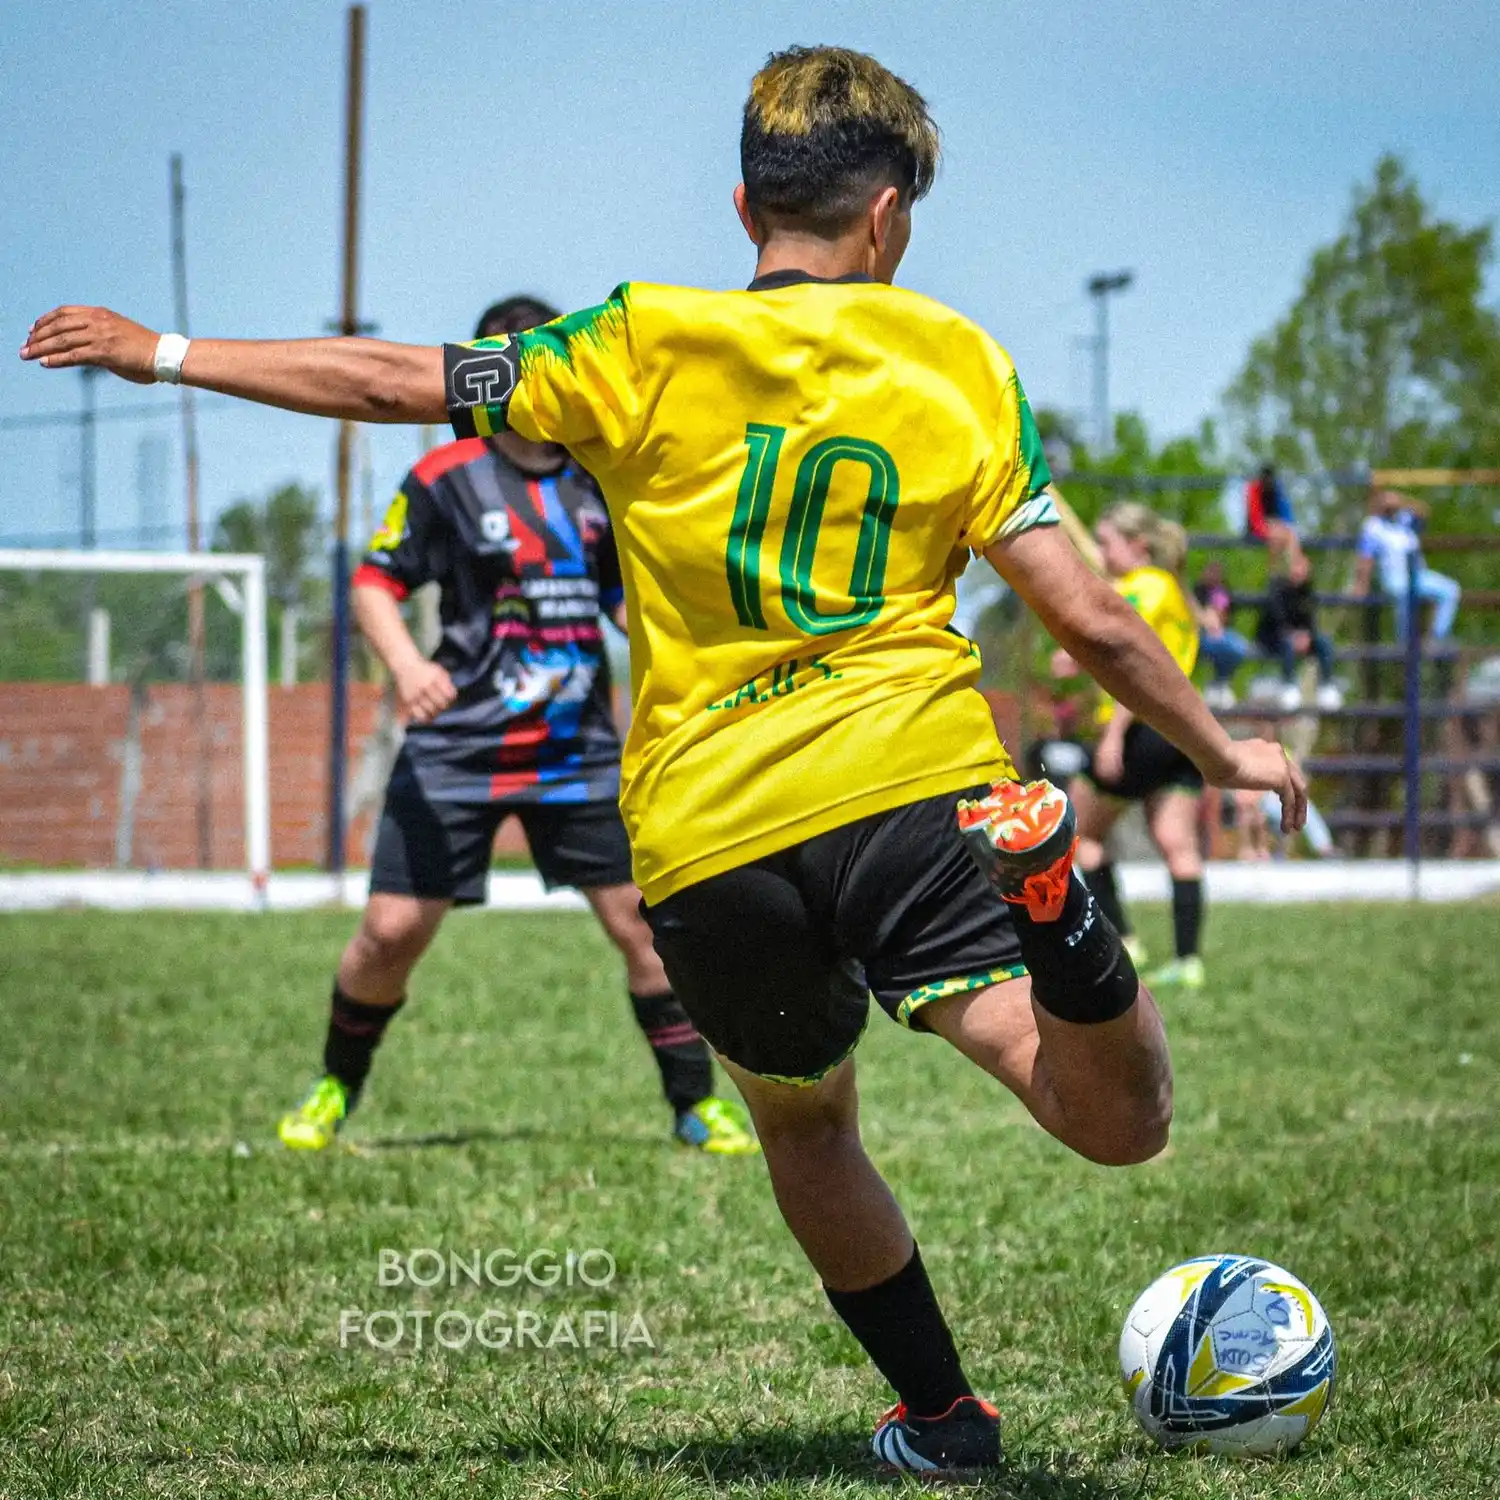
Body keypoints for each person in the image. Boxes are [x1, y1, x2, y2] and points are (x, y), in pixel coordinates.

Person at [22, 44, 1304, 1476]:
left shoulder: (638, 340)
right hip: (915, 789)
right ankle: (1061, 921)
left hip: (708, 838)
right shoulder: (954, 358)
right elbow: (1093, 620)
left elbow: (396, 378)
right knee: (1114, 1124)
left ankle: (943, 1420)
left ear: (746, 208)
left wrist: (165, 352)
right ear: (885, 216)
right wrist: (1222, 745)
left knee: (810, 1135)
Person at [285, 294, 759, 1158]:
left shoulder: (600, 475)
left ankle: (696, 1108)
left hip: (574, 753)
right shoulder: (444, 477)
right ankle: (333, 1089)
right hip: (456, 749)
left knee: (646, 931)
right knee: (390, 935)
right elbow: (375, 582)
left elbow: (628, 598)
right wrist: (407, 667)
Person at [1066, 504, 1209, 992]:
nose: (1103, 552)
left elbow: (1133, 662)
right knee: (1178, 843)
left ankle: (1125, 940)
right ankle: (1188, 961)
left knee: (1081, 835)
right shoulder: (1171, 590)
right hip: (1181, 730)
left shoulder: (1144, 587)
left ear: (1138, 546)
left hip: (1139, 732)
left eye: (1108, 542)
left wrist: (1112, 734)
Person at [1353, 488, 1461, 642]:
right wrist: (1361, 584)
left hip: (1419, 574)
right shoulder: (1373, 526)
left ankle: (1437, 638)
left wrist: (1402, 501)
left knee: (1450, 590)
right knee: (1406, 598)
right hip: (1394, 579)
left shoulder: (1405, 518)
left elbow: (1425, 511)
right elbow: (1366, 557)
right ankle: (1405, 648)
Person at [1254, 551, 1343, 713]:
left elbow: (1311, 619)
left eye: (1302, 568)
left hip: (1301, 638)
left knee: (1324, 642)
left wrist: (1307, 636)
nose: (1299, 571)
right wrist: (1292, 635)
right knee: (1288, 644)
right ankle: (1288, 686)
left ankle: (1327, 687)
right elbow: (1275, 618)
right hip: (1274, 638)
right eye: (1296, 566)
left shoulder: (1308, 591)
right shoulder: (1277, 588)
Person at [1191, 558, 1252, 709]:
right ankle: (1213, 687)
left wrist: (1218, 623)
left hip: (1222, 633)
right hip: (1201, 634)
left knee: (1240, 647)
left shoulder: (1223, 591)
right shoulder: (1197, 591)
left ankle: (1220, 682)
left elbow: (1225, 614)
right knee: (1218, 647)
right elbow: (1195, 615)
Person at [1244, 463, 1304, 570]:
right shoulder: (1253, 488)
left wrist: (1283, 527)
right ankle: (1293, 571)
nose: (1267, 483)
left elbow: (1287, 515)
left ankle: (1288, 572)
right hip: (1257, 528)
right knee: (1284, 537)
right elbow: (1254, 518)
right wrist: (1271, 529)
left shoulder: (1276, 488)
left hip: (1275, 527)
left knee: (1288, 535)